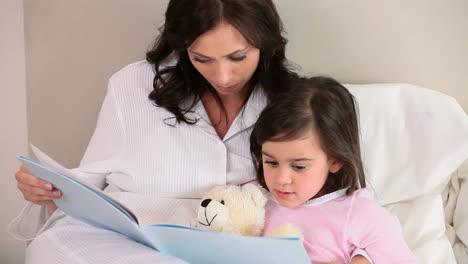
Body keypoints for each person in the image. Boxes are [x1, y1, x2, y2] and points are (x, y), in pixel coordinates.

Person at [10, 0, 298, 263]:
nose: (222, 77)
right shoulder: (133, 83)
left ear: (265, 42)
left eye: (237, 57)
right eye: (202, 59)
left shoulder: (295, 103)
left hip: (227, 242)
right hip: (116, 235)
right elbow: (92, 177)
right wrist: (47, 188)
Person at [250, 77, 417, 264]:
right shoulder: (252, 199)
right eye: (271, 162)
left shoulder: (359, 213)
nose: (281, 179)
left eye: (299, 167)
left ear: (335, 160)